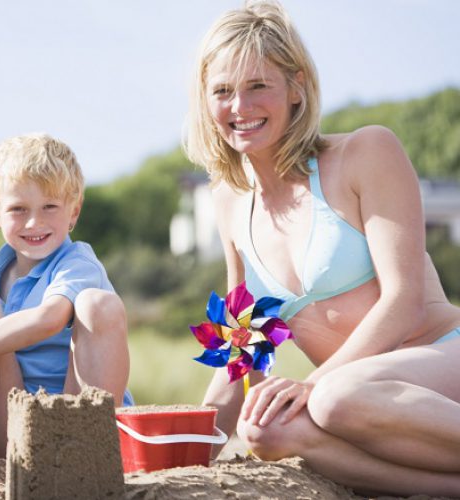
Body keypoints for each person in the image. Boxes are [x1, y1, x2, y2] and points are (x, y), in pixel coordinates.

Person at [184, 1, 460, 496]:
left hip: (440, 356)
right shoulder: (225, 202)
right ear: (205, 101)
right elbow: (244, 348)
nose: (239, 107)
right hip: (353, 397)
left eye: (257, 86)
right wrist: (187, 446)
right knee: (265, 430)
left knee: (335, 397)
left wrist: (313, 384)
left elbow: (404, 301)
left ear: (296, 87)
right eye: (222, 91)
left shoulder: (365, 152)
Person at [0, 133, 132, 460]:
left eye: (50, 207)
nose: (35, 222)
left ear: (74, 212)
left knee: (98, 305)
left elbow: (50, 318)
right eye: (18, 209)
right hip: (13, 428)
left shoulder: (77, 263)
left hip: (74, 422)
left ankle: (89, 458)